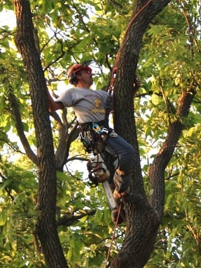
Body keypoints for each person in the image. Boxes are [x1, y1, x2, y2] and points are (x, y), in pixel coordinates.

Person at [47, 63, 141, 212]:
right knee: (127, 152)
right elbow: (53, 107)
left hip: (103, 128)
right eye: (87, 72)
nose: (91, 74)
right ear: (77, 75)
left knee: (111, 167)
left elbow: (119, 104)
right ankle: (121, 189)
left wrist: (134, 88)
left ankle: (116, 207)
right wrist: (42, 87)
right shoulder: (73, 92)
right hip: (94, 128)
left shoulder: (101, 94)